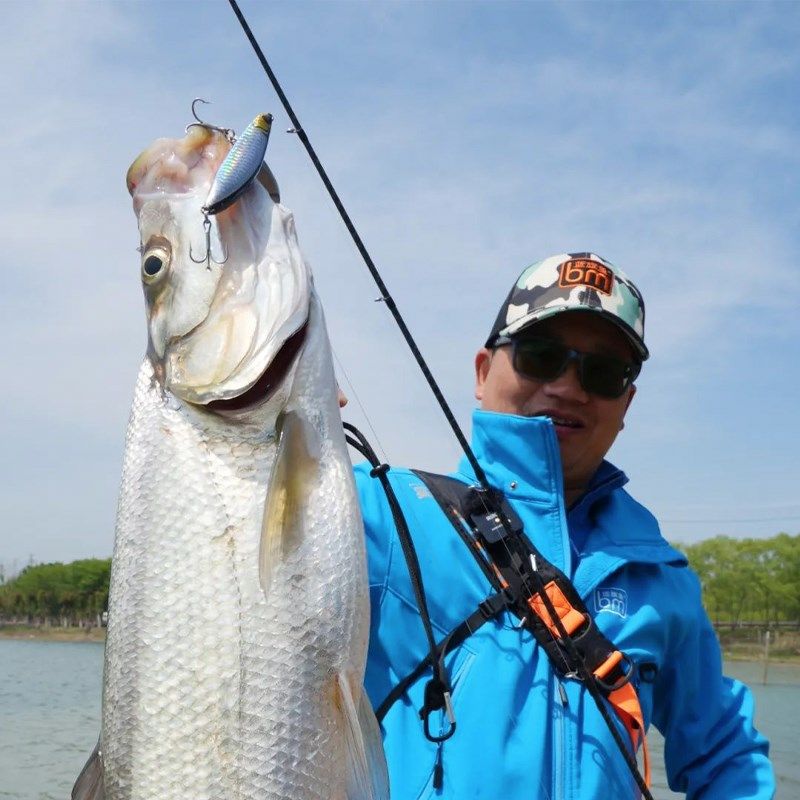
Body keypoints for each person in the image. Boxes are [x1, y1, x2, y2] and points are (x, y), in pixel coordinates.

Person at [354, 252, 775, 799]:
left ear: (627, 403)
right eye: (542, 356)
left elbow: (726, 752)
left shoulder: (659, 574)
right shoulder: (380, 511)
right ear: (483, 373)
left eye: (604, 373)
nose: (570, 387)